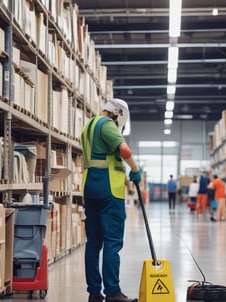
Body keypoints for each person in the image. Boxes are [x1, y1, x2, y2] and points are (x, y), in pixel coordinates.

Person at [80, 98, 141, 302]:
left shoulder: (88, 126)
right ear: (117, 113)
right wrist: (135, 169)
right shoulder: (107, 125)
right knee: (112, 243)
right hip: (109, 191)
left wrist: (125, 178)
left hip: (90, 187)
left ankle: (94, 292)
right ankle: (113, 292)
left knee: (93, 243)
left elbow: (103, 157)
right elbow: (125, 151)